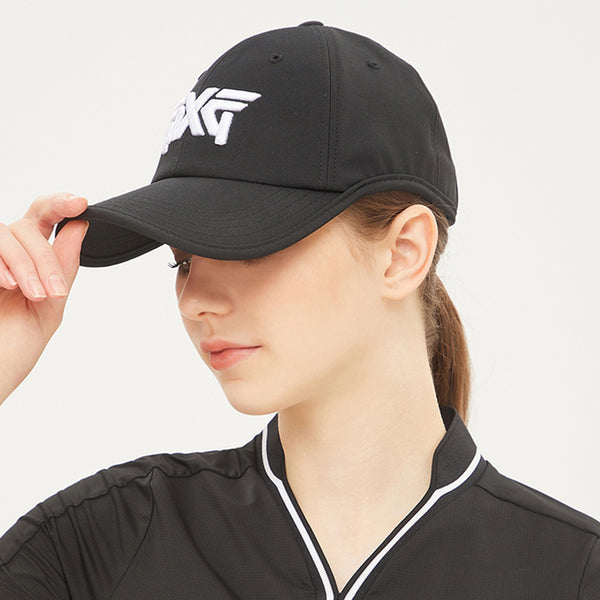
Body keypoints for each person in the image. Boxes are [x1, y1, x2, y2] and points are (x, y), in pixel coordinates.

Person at [0, 20, 598, 599]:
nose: (196, 300)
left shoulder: (570, 575)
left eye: (248, 246)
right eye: (182, 260)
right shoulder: (96, 548)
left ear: (402, 253)